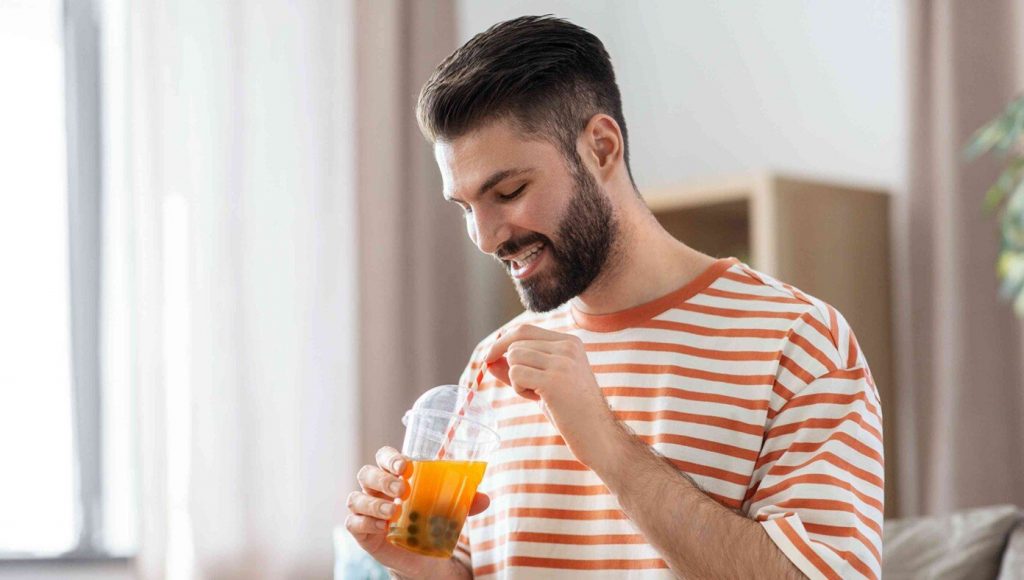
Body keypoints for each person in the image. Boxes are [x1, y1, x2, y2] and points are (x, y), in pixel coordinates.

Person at [346, 15, 883, 580]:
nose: (484, 237)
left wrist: (603, 438)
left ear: (601, 147)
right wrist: (411, 563)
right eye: (465, 207)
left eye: (509, 191)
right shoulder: (494, 365)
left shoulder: (798, 342)